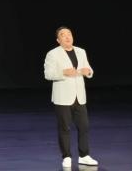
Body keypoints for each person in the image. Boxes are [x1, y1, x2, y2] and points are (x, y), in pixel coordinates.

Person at [44, 26, 99, 168]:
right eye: (63, 35)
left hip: (79, 96)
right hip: (63, 97)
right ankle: (67, 156)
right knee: (64, 127)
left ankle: (84, 155)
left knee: (84, 126)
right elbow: (48, 74)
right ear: (58, 40)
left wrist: (88, 72)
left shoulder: (81, 51)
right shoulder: (52, 54)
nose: (67, 36)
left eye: (69, 34)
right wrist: (63, 73)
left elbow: (89, 70)